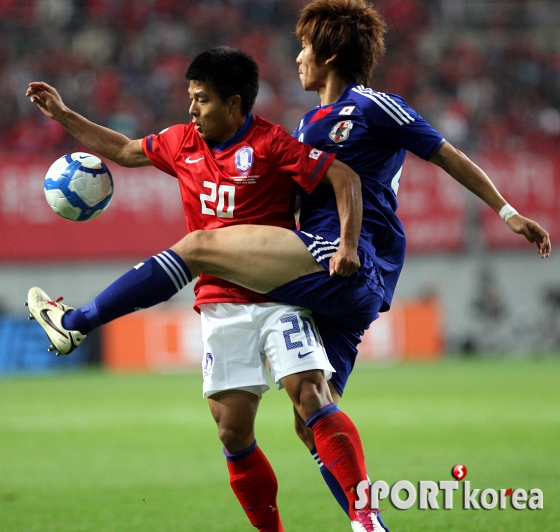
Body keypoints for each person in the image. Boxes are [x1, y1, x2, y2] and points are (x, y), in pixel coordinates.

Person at [26, 46, 388, 532]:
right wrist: (65, 115)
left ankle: (368, 522)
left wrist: (348, 245)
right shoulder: (180, 143)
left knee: (311, 395)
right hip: (220, 307)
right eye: (190, 98)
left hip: (280, 299)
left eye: (202, 100)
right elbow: (123, 151)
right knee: (233, 432)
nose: (192, 110)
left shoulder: (271, 144)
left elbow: (344, 177)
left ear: (235, 103)